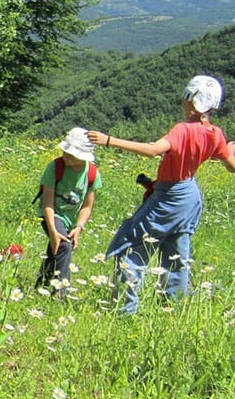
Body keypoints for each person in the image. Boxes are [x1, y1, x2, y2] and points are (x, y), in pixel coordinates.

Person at [88, 75, 235, 314]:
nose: (182, 101)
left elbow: (152, 150)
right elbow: (231, 165)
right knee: (176, 253)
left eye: (185, 97)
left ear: (192, 100)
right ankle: (171, 308)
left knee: (132, 245)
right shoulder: (216, 134)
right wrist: (230, 147)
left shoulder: (183, 130)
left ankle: (125, 310)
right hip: (189, 196)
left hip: (169, 196)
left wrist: (109, 140)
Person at [35, 127, 102, 296]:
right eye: (64, 151)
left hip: (71, 220)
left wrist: (79, 227)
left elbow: (87, 206)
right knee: (64, 245)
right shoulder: (55, 167)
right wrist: (52, 230)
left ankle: (40, 285)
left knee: (57, 247)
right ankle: (61, 294)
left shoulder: (93, 174)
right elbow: (47, 203)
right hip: (51, 214)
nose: (65, 156)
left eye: (70, 154)